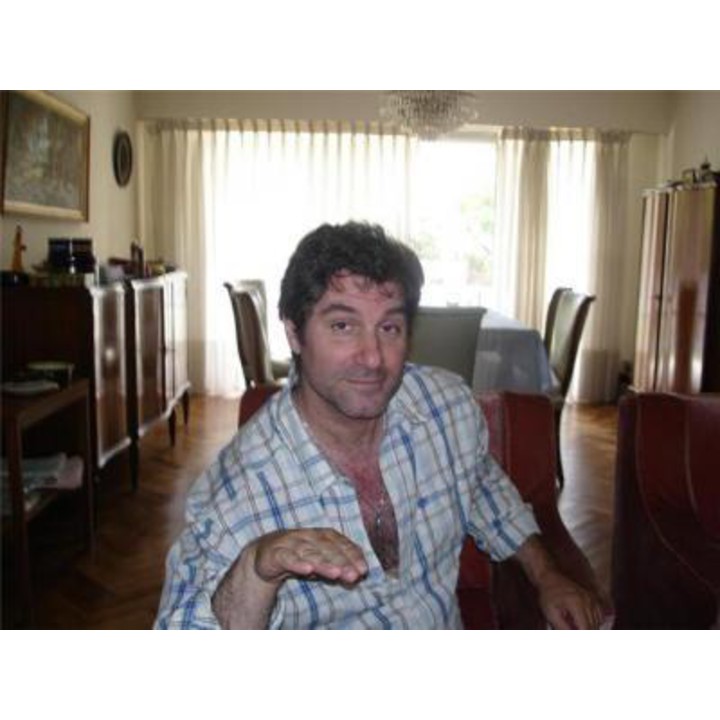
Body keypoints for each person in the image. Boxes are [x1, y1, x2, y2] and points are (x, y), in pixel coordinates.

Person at [155, 221, 606, 629]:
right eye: (343, 326)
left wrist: (547, 575)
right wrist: (257, 568)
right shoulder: (238, 490)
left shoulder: (448, 410)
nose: (372, 358)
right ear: (293, 333)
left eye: (389, 328)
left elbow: (486, 492)